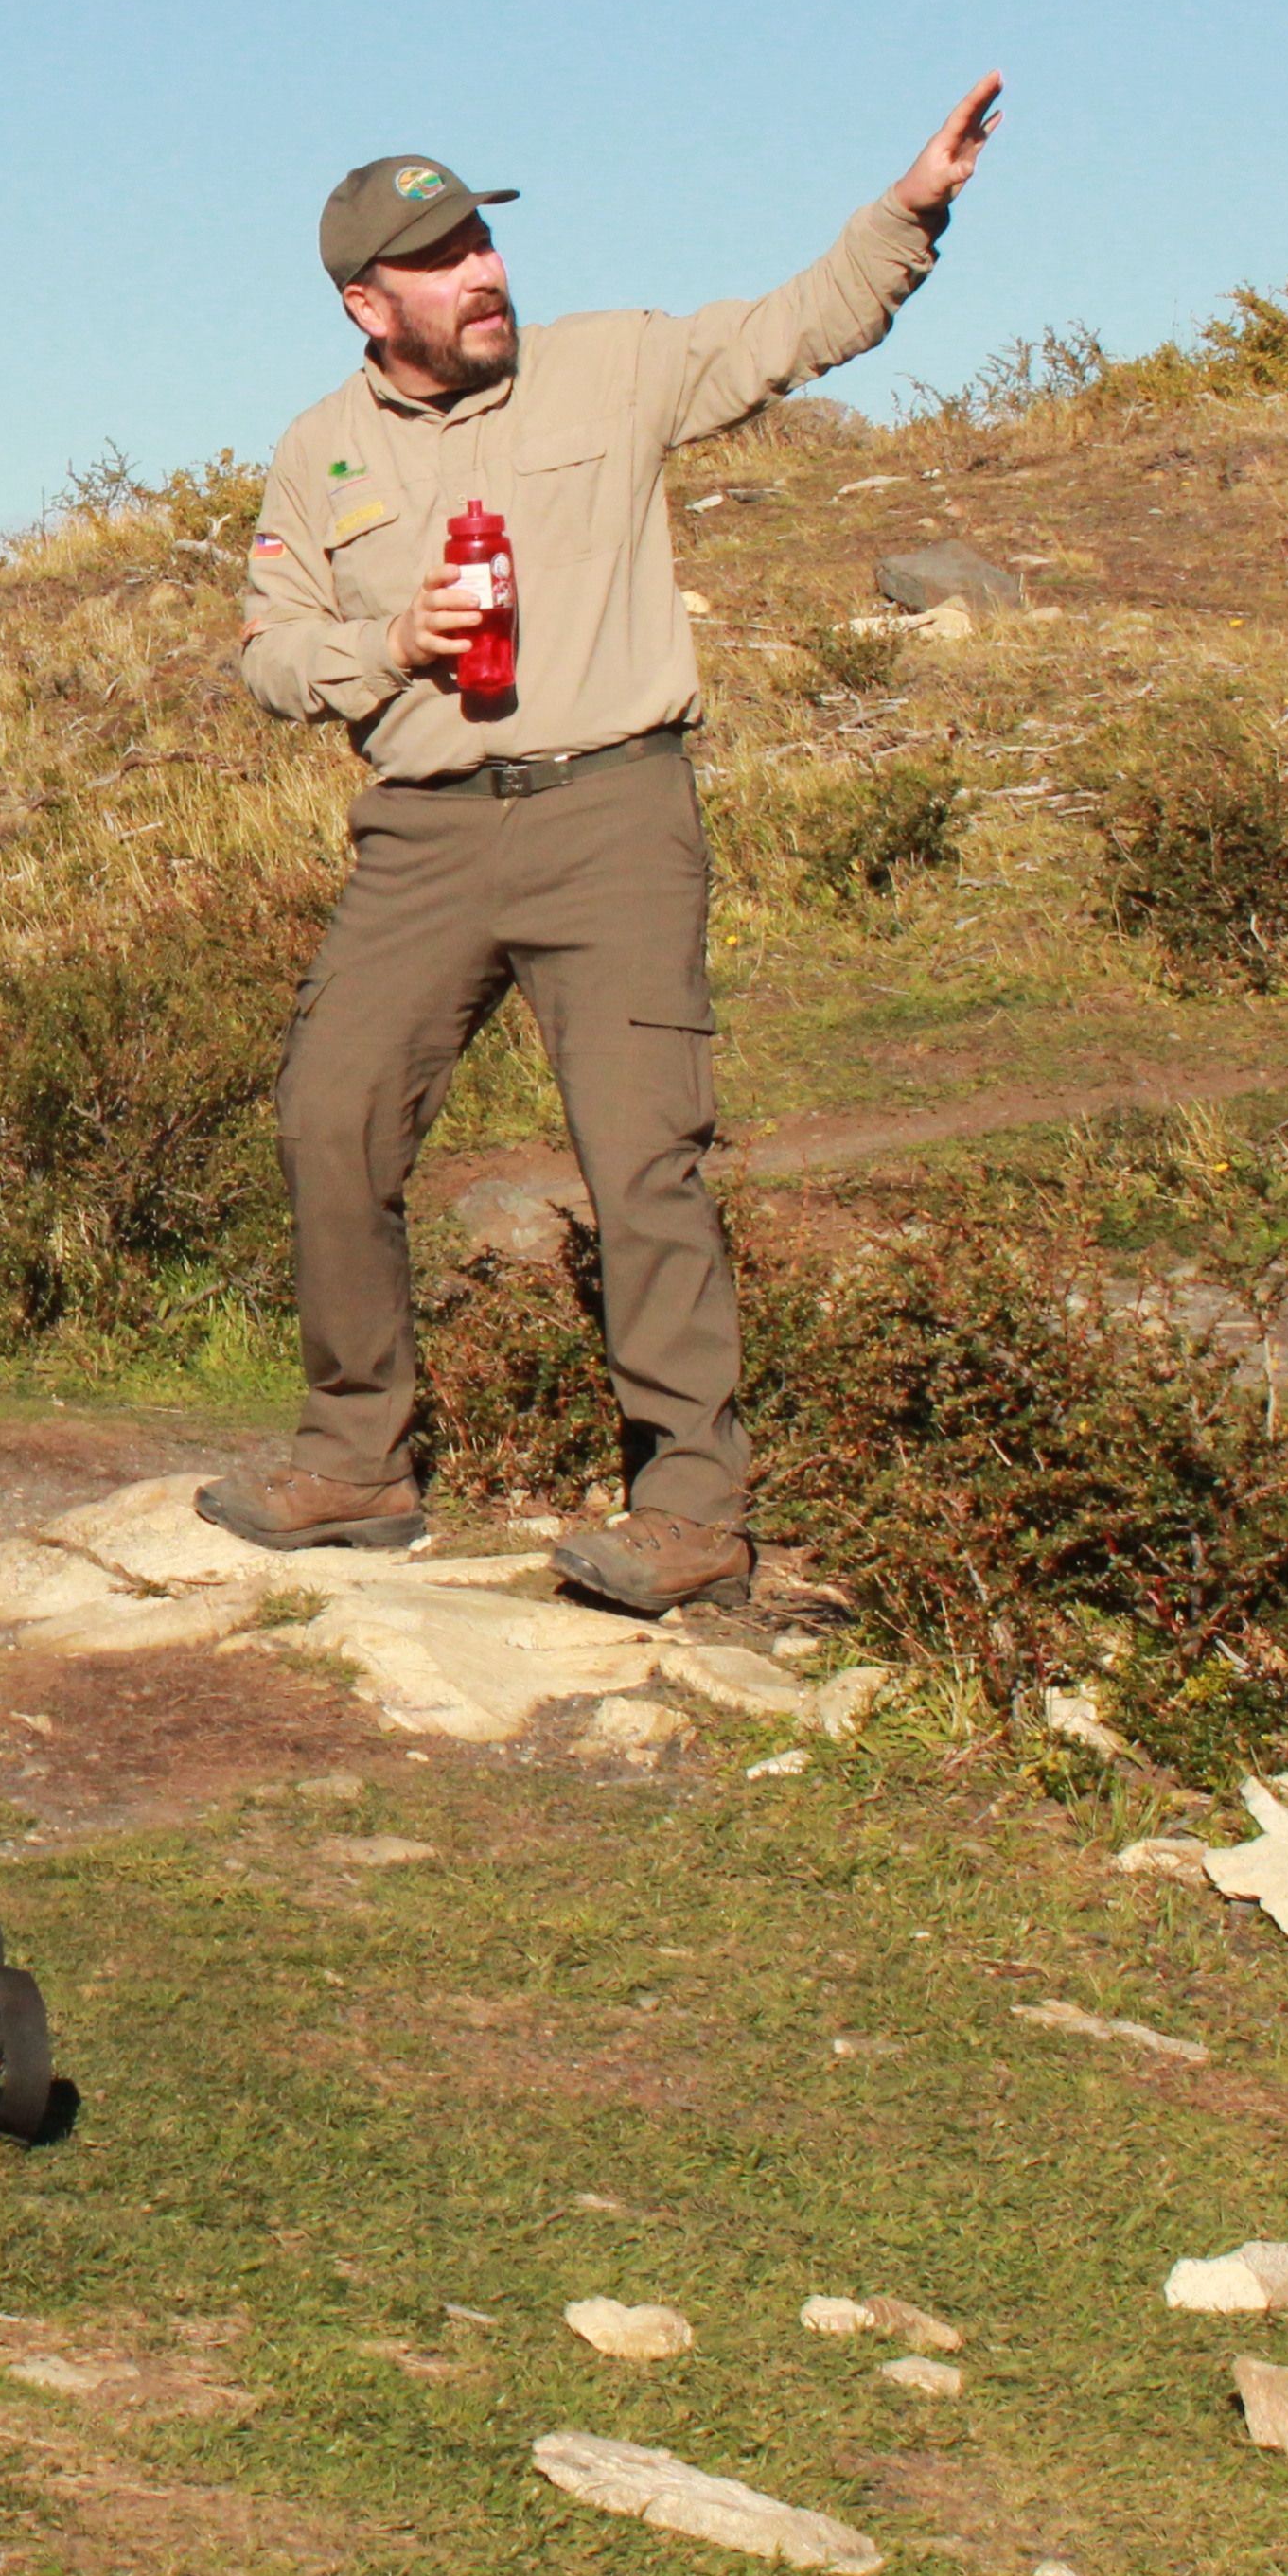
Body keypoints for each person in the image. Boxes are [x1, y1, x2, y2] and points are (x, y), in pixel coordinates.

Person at [225, 78, 1006, 1616]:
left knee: (640, 1158)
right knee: (328, 1121)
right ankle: (353, 1457)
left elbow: (800, 324)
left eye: (480, 242)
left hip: (611, 817)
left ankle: (690, 1504)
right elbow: (265, 657)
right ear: (362, 302)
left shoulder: (610, 367)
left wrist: (909, 208)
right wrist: (380, 639)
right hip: (421, 835)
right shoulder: (312, 455)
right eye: (439, 258)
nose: (482, 273)